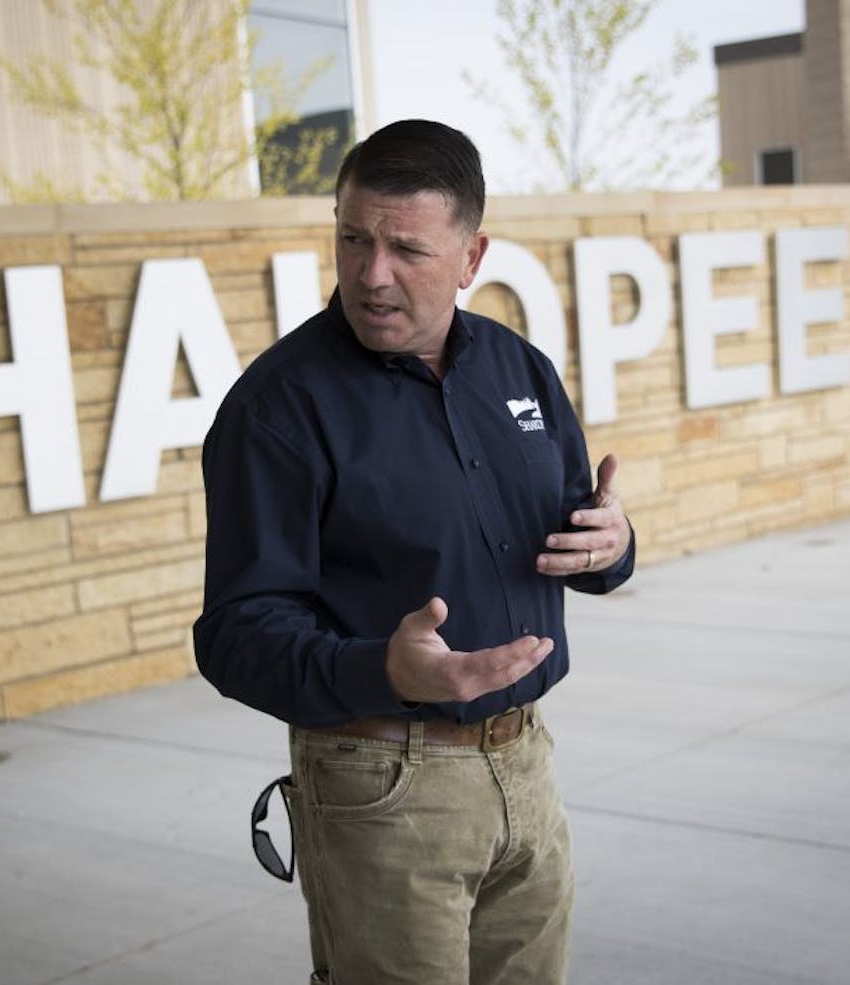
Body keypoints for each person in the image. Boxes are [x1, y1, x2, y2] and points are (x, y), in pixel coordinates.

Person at [192, 119, 635, 985]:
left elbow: (579, 535)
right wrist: (382, 670)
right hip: (380, 785)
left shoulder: (521, 371)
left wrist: (613, 546)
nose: (370, 273)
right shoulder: (278, 407)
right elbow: (235, 635)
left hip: (528, 765)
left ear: (472, 257)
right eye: (353, 239)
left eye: (406, 248)